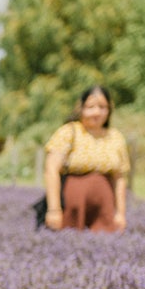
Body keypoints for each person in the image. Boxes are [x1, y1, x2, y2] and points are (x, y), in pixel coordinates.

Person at [42, 86, 129, 233]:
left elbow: (119, 178)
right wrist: (54, 209)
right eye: (90, 107)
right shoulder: (69, 132)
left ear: (109, 110)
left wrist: (120, 213)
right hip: (72, 206)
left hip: (104, 209)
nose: (96, 112)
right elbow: (51, 170)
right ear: (81, 108)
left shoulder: (115, 137)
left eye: (102, 107)